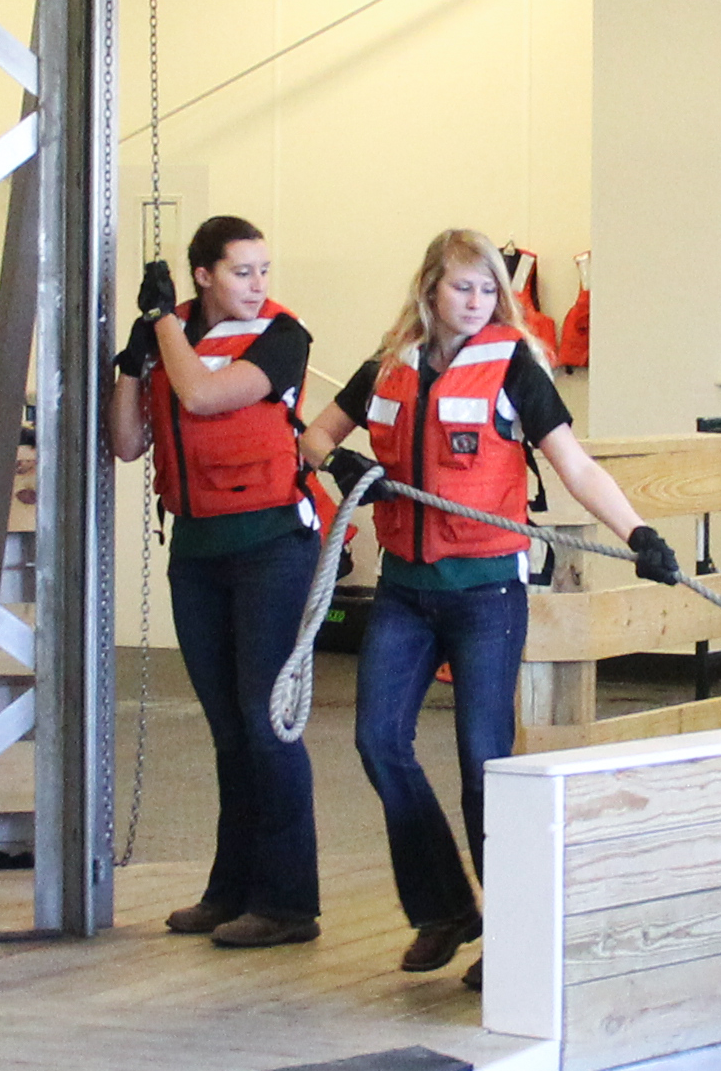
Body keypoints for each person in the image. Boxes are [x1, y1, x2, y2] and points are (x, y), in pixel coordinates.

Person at [326, 231, 679, 976]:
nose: (476, 302)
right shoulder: (385, 370)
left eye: (488, 290)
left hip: (486, 592)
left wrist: (640, 532)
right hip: (405, 592)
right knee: (377, 740)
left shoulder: (514, 365)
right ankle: (446, 908)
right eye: (462, 289)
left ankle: (515, 931)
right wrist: (340, 460)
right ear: (429, 291)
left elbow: (575, 465)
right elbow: (311, 437)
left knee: (484, 762)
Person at [110, 214, 326, 950]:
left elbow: (204, 397)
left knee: (268, 727)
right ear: (204, 275)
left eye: (265, 269)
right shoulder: (170, 345)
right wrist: (135, 359)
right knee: (229, 733)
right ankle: (229, 890)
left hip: (272, 546)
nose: (259, 284)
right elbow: (127, 443)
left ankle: (289, 903)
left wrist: (161, 326)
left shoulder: (282, 336)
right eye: (243, 271)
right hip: (198, 552)